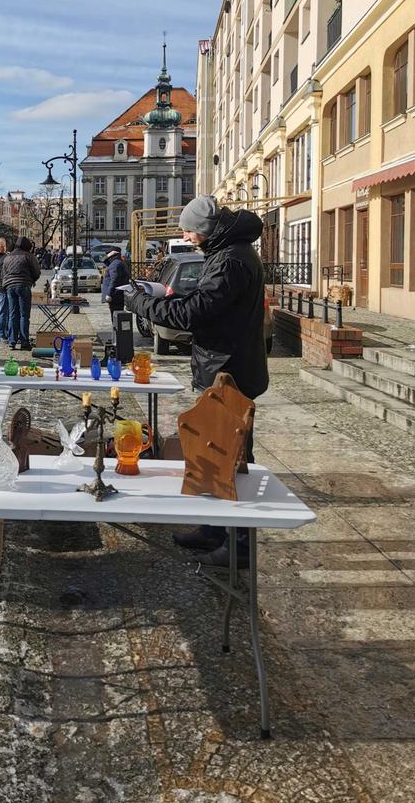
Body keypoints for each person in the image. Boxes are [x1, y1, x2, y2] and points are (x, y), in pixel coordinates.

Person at [124, 196, 268, 568]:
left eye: (188, 231)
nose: (186, 237)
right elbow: (209, 302)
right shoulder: (227, 253)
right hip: (224, 365)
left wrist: (141, 303)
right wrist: (171, 295)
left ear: (205, 229)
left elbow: (193, 314)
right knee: (214, 452)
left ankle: (238, 546)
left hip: (229, 370)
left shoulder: (231, 260)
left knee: (230, 458)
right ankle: (214, 529)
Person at [2, 236, 41, 350]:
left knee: (13, 314)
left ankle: (12, 341)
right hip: (23, 285)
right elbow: (36, 271)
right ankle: (24, 341)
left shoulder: (8, 257)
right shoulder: (28, 256)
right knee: (24, 315)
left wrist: (7, 284)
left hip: (10, 286)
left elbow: (3, 272)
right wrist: (32, 280)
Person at [101, 249, 130, 327]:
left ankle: (117, 337)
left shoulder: (115, 264)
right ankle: (116, 336)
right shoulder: (117, 263)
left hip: (115, 295)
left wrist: (109, 294)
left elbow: (114, 280)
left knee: (115, 317)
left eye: (107, 254)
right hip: (117, 294)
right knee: (116, 317)